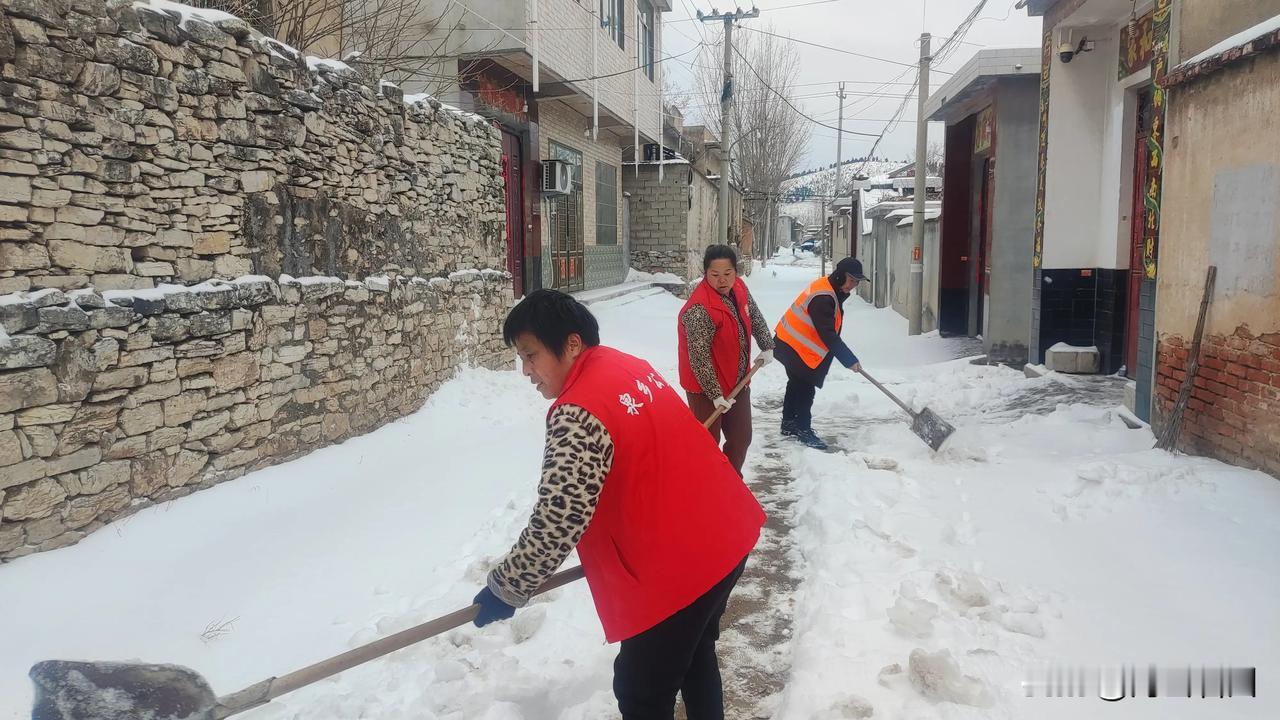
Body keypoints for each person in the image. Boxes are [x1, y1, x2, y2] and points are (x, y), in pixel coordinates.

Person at [472, 289, 766, 719]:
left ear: (572, 344)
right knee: (695, 654)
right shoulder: (629, 366)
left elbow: (559, 517)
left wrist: (508, 587)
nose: (526, 371)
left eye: (531, 355)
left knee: (642, 691)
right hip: (726, 535)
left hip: (679, 569)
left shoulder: (578, 411)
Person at [677, 245, 775, 475]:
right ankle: (707, 491)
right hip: (704, 388)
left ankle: (731, 484)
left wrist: (767, 344)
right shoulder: (700, 309)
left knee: (741, 438)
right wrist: (715, 394)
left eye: (728, 274)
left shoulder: (739, 287)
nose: (722, 280)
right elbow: (699, 357)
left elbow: (754, 315)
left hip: (737, 379)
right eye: (715, 275)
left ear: (736, 272)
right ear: (705, 274)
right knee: (707, 444)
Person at [773, 257, 868, 450]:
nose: (853, 285)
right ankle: (803, 429)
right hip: (795, 346)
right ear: (840, 275)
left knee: (796, 383)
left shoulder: (831, 289)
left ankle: (789, 423)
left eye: (857, 282)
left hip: (791, 343)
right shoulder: (824, 297)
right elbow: (828, 334)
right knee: (805, 388)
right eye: (851, 280)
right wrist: (849, 359)